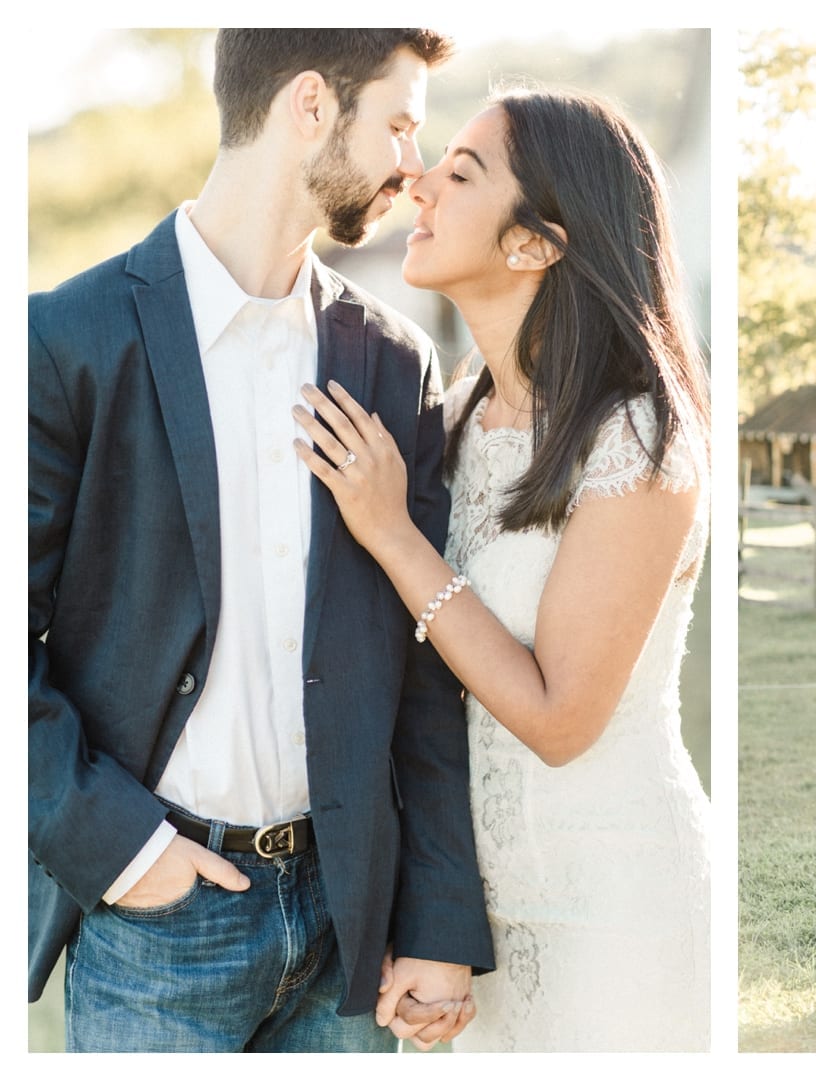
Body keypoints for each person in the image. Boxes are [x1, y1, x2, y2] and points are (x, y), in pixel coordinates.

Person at [29, 29, 493, 1052]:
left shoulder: (391, 360)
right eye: (401, 126)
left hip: (350, 939)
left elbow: (420, 670)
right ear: (312, 106)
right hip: (156, 925)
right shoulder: (67, 340)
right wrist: (119, 848)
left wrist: (434, 921)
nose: (414, 167)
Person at [291, 86, 711, 1050]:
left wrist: (396, 538)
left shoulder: (639, 438)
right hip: (470, 930)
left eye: (462, 171)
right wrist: (427, 920)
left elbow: (561, 719)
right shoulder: (446, 427)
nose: (419, 179)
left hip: (615, 911)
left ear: (535, 244)